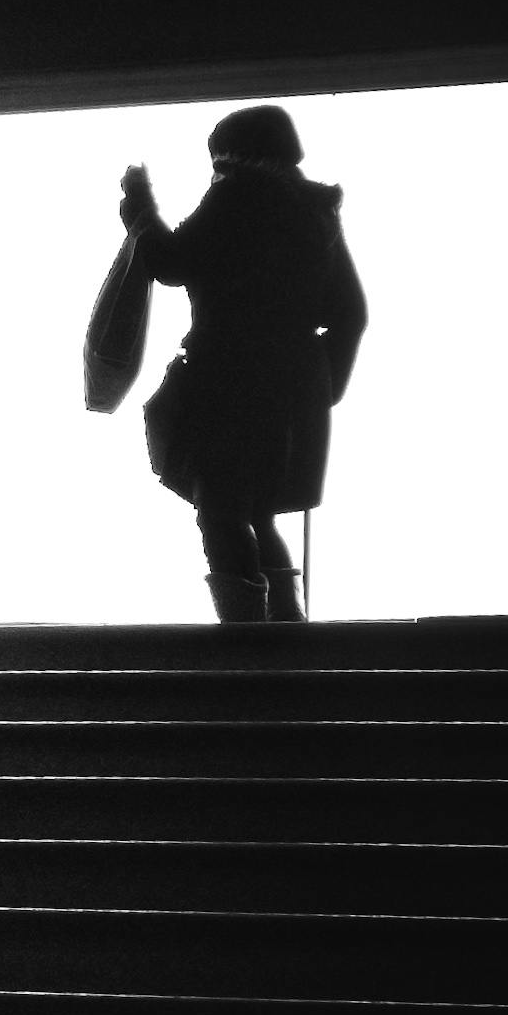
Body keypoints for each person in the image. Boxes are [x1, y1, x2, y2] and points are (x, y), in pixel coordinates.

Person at [119, 103, 368, 624]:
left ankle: (247, 641)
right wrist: (321, 387)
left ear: (233, 154)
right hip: (292, 389)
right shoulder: (316, 212)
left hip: (228, 380)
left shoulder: (239, 190)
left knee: (222, 511)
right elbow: (350, 313)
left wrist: (139, 210)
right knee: (254, 510)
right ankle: (284, 630)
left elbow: (171, 262)